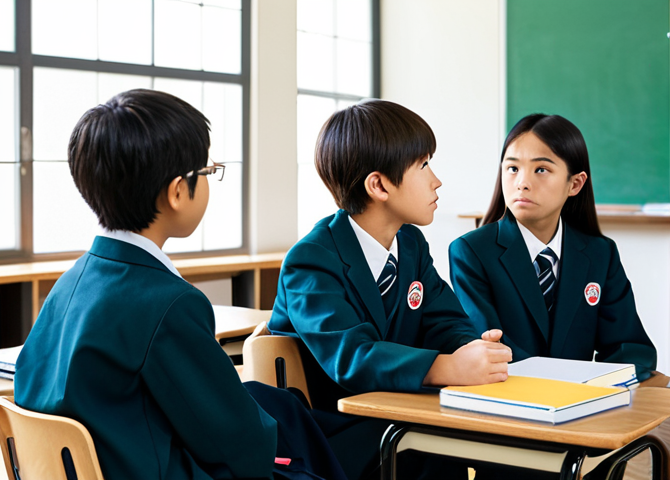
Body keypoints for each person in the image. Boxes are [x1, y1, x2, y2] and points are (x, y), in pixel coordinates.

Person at [15, 89, 345, 480]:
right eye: (206, 172)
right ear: (176, 192)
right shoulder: (170, 303)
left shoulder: (70, 281)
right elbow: (242, 445)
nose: (209, 181)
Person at [269, 99, 512, 480]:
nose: (437, 180)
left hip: (399, 417)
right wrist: (446, 366)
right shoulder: (312, 260)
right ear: (379, 185)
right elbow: (353, 357)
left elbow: (443, 318)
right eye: (424, 165)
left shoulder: (410, 244)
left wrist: (471, 349)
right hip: (336, 438)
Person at [448, 113, 656, 380]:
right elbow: (489, 349)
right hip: (509, 402)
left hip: (583, 406)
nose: (522, 182)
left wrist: (604, 387)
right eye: (512, 169)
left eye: (541, 170)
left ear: (575, 183)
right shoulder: (471, 252)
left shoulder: (600, 254)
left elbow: (631, 348)